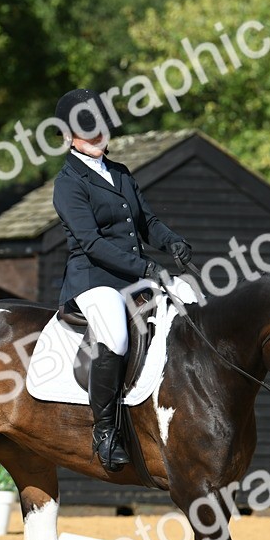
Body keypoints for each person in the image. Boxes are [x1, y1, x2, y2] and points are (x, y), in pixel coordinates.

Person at [51, 89, 191, 471]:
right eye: (87, 132)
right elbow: (92, 243)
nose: (97, 137)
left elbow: (147, 222)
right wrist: (143, 268)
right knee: (114, 332)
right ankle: (105, 431)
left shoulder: (121, 173)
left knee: (189, 297)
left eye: (100, 129)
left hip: (132, 274)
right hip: (94, 280)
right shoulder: (68, 183)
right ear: (69, 136)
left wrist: (172, 241)